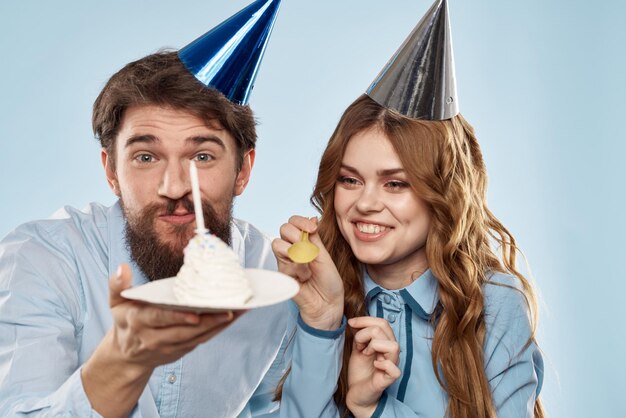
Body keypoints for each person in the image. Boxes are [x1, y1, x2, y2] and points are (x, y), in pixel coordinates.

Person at [0, 1, 342, 416]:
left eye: (202, 156)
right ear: (111, 170)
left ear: (243, 170)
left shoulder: (273, 279)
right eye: (146, 157)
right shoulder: (43, 259)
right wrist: (121, 364)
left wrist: (321, 325)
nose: (176, 186)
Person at [272, 1, 545, 417]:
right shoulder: (305, 289)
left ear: (443, 193)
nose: (365, 203)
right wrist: (322, 323)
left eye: (395, 183)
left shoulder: (494, 303)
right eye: (349, 180)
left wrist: (372, 410)